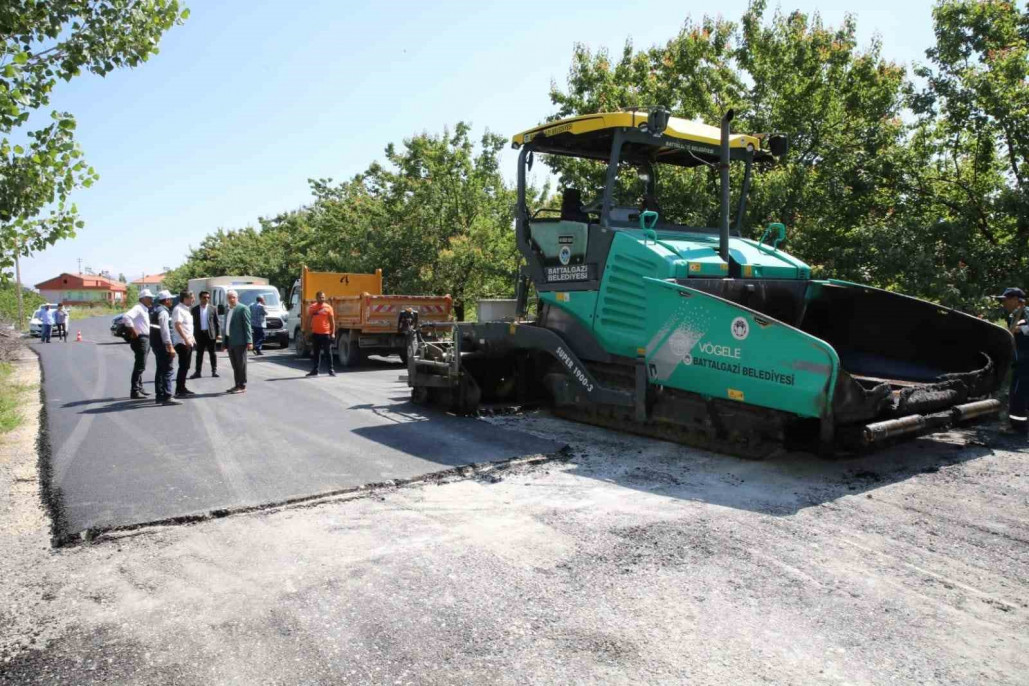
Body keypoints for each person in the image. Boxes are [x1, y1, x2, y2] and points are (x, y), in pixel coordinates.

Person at [997, 287, 1029, 436]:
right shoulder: (1013, 315)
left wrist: (1022, 329)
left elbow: (1024, 328)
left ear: (1016, 300)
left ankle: (1018, 428)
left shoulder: (1026, 311)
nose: (1004, 303)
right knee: (1018, 395)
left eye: (1006, 300)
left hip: (1025, 365)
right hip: (1020, 363)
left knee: (1018, 395)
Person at [122, 289, 155, 399]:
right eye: (149, 297)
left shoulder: (144, 309)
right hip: (141, 339)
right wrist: (133, 330)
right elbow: (126, 317)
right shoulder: (138, 308)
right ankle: (134, 391)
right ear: (143, 298)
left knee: (140, 364)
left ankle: (139, 388)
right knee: (140, 366)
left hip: (145, 338)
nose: (151, 299)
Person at [150, 290, 179, 406]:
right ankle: (167, 396)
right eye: (170, 299)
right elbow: (165, 331)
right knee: (167, 370)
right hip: (163, 345)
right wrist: (170, 347)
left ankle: (160, 395)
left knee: (160, 370)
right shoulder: (163, 312)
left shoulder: (155, 310)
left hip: (157, 344)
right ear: (166, 300)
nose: (171, 301)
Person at [223, 289, 252, 394]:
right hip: (230, 341)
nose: (231, 299)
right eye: (229, 297)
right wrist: (224, 342)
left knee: (241, 364)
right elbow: (226, 326)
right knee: (234, 365)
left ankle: (242, 385)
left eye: (233, 297)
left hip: (240, 341)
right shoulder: (228, 309)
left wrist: (249, 341)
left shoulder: (243, 308)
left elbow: (247, 325)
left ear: (237, 298)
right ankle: (237, 385)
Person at [171, 290, 196, 398]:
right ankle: (179, 390)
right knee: (183, 365)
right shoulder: (178, 309)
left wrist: (192, 337)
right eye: (192, 298)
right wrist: (185, 339)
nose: (193, 300)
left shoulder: (186, 310)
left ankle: (182, 387)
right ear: (185, 299)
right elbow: (178, 325)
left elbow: (188, 326)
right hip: (182, 342)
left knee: (186, 366)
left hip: (188, 341)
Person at [190, 290, 220, 379]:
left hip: (210, 334)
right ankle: (198, 372)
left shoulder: (213, 308)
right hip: (199, 334)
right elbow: (192, 323)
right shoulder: (194, 309)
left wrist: (218, 334)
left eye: (208, 297)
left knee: (212, 354)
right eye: (204, 297)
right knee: (199, 354)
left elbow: (217, 322)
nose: (206, 299)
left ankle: (214, 371)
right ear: (200, 298)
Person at [306, 291, 336, 377]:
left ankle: (331, 370)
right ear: (316, 298)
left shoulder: (328, 307)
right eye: (320, 297)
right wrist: (308, 332)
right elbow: (308, 320)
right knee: (316, 353)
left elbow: (332, 321)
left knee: (328, 352)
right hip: (315, 333)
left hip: (326, 333)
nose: (322, 299)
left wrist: (333, 333)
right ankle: (315, 370)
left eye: (323, 297)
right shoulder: (312, 307)